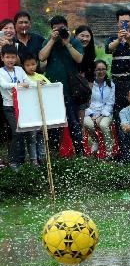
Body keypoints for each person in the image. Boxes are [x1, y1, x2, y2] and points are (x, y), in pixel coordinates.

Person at [39, 15, 85, 152]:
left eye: (62, 28)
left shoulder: (74, 41)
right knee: (53, 125)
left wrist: (67, 43)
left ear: (67, 27)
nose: (59, 31)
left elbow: (79, 59)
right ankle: (54, 154)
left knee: (74, 124)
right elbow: (41, 57)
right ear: (52, 30)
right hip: (52, 90)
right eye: (55, 29)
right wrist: (52, 40)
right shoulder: (49, 41)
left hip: (70, 90)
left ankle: (80, 153)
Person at [105, 8, 130, 127]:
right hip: (118, 82)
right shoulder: (112, 38)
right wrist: (119, 39)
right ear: (117, 23)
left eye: (127, 21)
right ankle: (121, 141)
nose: (124, 24)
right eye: (121, 21)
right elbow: (108, 49)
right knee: (119, 112)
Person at [0, 45, 29, 168]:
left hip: (22, 105)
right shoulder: (1, 71)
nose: (10, 60)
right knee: (16, 132)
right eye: (7, 57)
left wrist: (37, 83)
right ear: (2, 58)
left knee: (22, 131)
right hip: (9, 106)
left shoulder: (19, 70)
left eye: (13, 57)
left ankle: (21, 160)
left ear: (16, 58)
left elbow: (28, 81)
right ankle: (13, 161)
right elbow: (4, 85)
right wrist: (20, 85)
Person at [83, 59, 115, 158]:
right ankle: (96, 141)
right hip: (91, 112)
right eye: (98, 69)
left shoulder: (111, 84)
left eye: (103, 69)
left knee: (103, 125)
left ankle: (109, 152)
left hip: (106, 113)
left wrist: (101, 115)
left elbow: (110, 102)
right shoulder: (89, 84)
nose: (101, 72)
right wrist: (92, 115)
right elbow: (85, 103)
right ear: (94, 71)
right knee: (87, 123)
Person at [21, 54, 48, 164]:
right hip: (29, 113)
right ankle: (33, 160)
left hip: (41, 112)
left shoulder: (40, 76)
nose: (31, 67)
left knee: (41, 135)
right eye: (28, 65)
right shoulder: (23, 77)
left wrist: (44, 84)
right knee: (31, 136)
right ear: (23, 66)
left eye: (33, 64)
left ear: (37, 63)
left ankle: (42, 158)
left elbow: (50, 86)